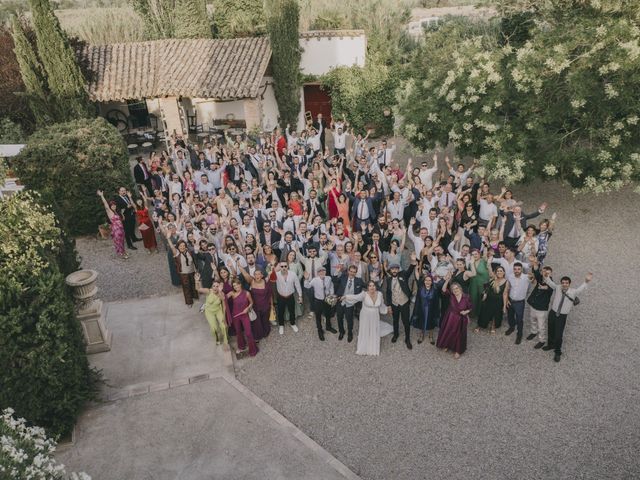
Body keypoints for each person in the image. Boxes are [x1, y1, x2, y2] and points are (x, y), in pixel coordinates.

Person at [542, 272, 593, 362]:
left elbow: (580, 289)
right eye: (563, 283)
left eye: (566, 283)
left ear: (569, 284)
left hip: (562, 316)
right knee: (550, 329)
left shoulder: (573, 292)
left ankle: (558, 352)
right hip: (553, 313)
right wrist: (546, 276)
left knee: (558, 335)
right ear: (561, 283)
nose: (564, 284)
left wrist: (586, 281)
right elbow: (550, 283)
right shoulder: (557, 287)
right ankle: (550, 345)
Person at [343, 281, 391, 356]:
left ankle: (373, 347)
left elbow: (381, 305)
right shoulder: (364, 294)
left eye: (373, 286)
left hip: (375, 315)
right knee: (365, 328)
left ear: (376, 287)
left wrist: (386, 309)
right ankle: (364, 346)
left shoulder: (380, 294)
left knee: (374, 329)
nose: (372, 287)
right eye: (370, 286)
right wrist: (346, 297)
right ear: (367, 287)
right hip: (365, 315)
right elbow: (355, 297)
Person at [436, 276, 473, 359]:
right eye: (453, 289)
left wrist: (466, 312)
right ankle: (447, 345)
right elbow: (444, 290)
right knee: (448, 331)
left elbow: (470, 307)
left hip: (461, 318)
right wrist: (447, 281)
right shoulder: (451, 295)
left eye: (456, 288)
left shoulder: (466, 297)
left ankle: (458, 350)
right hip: (451, 317)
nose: (455, 290)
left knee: (459, 335)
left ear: (460, 288)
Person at [384, 259, 416, 350]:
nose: (394, 270)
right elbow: (388, 292)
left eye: (396, 269)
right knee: (395, 320)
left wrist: (413, 263)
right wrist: (389, 305)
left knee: (406, 321)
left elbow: (409, 271)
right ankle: (396, 334)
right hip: (394, 304)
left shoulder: (403, 275)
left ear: (398, 270)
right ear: (390, 270)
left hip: (404, 302)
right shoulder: (389, 279)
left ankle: (407, 338)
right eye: (392, 269)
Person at [526, 258, 554, 349]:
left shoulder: (551, 284)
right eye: (544, 272)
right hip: (533, 305)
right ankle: (533, 332)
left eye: (547, 273)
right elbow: (536, 270)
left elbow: (549, 288)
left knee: (541, 326)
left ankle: (542, 340)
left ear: (551, 274)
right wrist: (534, 263)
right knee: (532, 320)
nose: (545, 274)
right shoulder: (540, 278)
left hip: (541, 309)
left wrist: (544, 287)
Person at [238, 266, 272, 341]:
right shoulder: (252, 282)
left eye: (259, 274)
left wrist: (271, 306)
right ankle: (258, 336)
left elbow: (270, 294)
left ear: (262, 275)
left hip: (265, 306)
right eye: (255, 274)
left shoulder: (266, 282)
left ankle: (266, 332)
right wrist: (238, 264)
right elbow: (245, 274)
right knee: (257, 322)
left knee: (265, 320)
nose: (257, 276)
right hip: (255, 307)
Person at [304, 267, 337, 341]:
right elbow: (307, 286)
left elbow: (331, 285)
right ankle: (320, 330)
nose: (322, 272)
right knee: (318, 316)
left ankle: (328, 327)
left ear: (325, 272)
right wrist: (306, 279)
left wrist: (331, 294)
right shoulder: (315, 280)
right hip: (318, 301)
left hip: (327, 300)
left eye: (323, 271)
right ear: (317, 273)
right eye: (320, 271)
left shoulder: (328, 278)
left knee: (328, 314)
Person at [227, 279, 258, 356]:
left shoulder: (247, 293)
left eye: (237, 284)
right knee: (238, 332)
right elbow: (222, 298)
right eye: (234, 285)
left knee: (248, 333)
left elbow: (251, 302)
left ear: (240, 284)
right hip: (235, 315)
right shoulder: (232, 293)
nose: (236, 286)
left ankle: (253, 350)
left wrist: (247, 308)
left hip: (244, 315)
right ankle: (241, 346)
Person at [335, 265, 364, 342]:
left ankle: (350, 333)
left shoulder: (359, 281)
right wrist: (337, 272)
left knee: (349, 319)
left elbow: (368, 285)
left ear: (356, 273)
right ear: (348, 271)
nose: (352, 273)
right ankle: (341, 332)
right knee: (339, 318)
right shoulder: (343, 277)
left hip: (350, 303)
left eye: (354, 272)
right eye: (351, 271)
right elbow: (335, 282)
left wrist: (373, 278)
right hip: (340, 301)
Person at [476, 266, 509, 333]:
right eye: (498, 271)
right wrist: (484, 294)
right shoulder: (492, 279)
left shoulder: (506, 282)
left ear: (504, 272)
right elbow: (486, 289)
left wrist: (504, 306)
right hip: (488, 300)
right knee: (484, 313)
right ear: (496, 272)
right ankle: (479, 325)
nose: (499, 272)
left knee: (496, 314)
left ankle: (493, 326)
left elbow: (505, 294)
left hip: (498, 301)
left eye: (501, 271)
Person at [97, 190, 128, 259]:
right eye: (112, 205)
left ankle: (123, 251)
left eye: (114, 205)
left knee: (122, 241)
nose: (114, 206)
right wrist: (102, 196)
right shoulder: (110, 212)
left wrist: (122, 214)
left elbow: (122, 219)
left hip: (121, 229)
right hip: (116, 230)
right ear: (110, 206)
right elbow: (106, 204)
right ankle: (121, 254)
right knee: (118, 242)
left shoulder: (116, 212)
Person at [411, 275, 442, 345]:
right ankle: (421, 335)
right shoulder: (420, 289)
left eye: (429, 280)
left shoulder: (435, 290)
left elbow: (437, 302)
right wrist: (416, 310)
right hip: (422, 309)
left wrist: (437, 312)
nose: (427, 282)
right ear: (424, 281)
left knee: (431, 322)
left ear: (432, 282)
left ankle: (431, 336)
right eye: (426, 280)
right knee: (422, 322)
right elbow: (418, 301)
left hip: (431, 310)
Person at [274, 262, 303, 335]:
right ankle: (281, 325)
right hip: (281, 297)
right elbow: (270, 278)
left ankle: (293, 324)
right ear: (279, 267)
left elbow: (297, 285)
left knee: (292, 311)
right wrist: (274, 269)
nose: (283, 268)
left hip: (290, 296)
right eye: (282, 266)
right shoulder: (276, 274)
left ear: (288, 267)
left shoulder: (293, 274)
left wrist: (300, 296)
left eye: (285, 266)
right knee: (280, 312)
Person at [505, 261, 530, 344]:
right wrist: (507, 299)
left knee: (519, 319)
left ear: (522, 270)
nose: (517, 271)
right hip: (510, 300)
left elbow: (533, 278)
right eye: (515, 269)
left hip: (520, 302)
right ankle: (511, 327)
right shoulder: (510, 276)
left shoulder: (526, 277)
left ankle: (519, 334)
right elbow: (508, 288)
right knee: (510, 316)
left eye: (519, 269)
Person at [197, 281, 228, 345]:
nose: (215, 288)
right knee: (214, 328)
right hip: (209, 311)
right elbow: (198, 289)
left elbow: (224, 306)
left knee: (223, 326)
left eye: (217, 286)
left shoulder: (221, 294)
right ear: (212, 286)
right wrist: (197, 281)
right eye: (214, 286)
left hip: (218, 310)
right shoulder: (208, 291)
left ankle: (225, 341)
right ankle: (217, 339)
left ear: (219, 287)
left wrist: (224, 317)